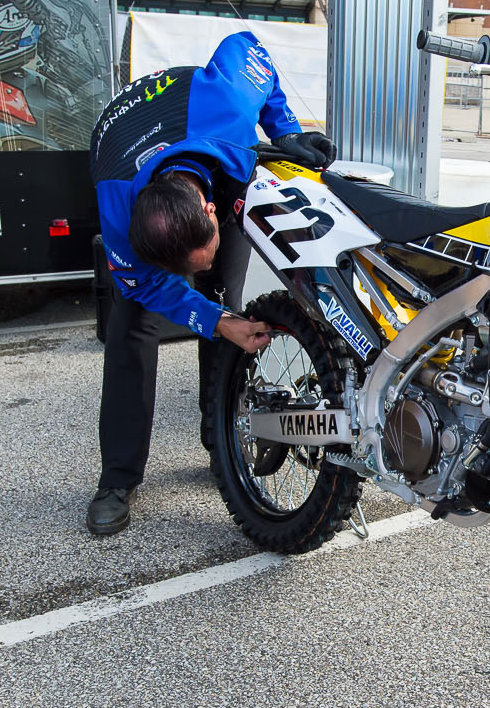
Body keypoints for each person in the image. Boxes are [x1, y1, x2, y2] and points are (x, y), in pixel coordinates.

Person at [86, 29, 335, 537]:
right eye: (188, 266)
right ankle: (117, 478)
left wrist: (283, 128)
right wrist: (209, 315)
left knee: (225, 300)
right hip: (122, 147)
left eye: (204, 254)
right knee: (130, 328)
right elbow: (142, 284)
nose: (197, 271)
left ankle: (219, 436)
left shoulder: (227, 102)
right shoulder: (117, 205)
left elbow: (249, 45)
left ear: (210, 210)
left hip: (201, 133)